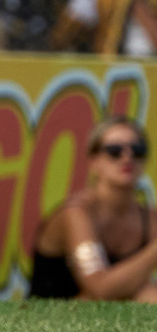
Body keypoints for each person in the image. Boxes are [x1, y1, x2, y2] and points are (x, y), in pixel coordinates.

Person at [28, 118, 157, 301]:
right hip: (54, 318)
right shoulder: (76, 213)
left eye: (137, 151)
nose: (127, 157)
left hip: (112, 314)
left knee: (149, 293)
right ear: (93, 162)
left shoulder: (148, 217)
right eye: (114, 151)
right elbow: (100, 290)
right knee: (146, 294)